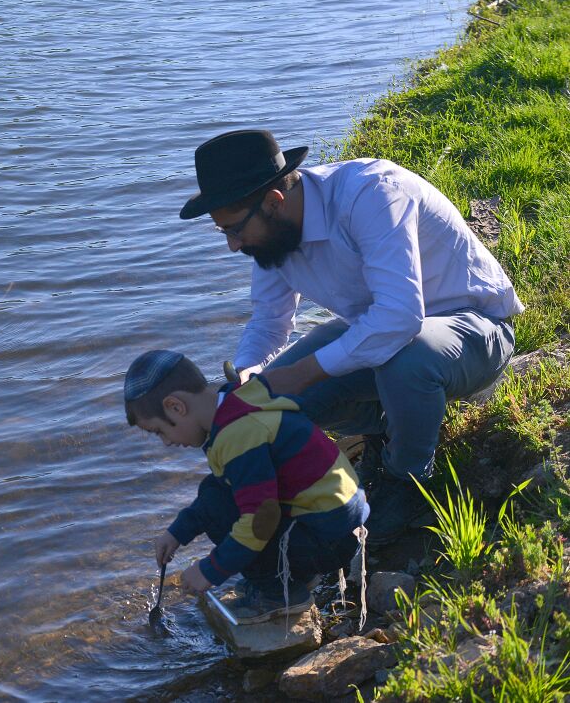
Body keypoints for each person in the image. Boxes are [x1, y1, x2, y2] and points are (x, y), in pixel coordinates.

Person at [178, 129, 523, 544]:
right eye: (223, 233)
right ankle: (391, 429)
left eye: (233, 230)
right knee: (270, 403)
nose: (233, 245)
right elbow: (270, 320)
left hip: (474, 327)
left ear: (273, 201)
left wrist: (305, 371)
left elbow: (399, 318)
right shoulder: (272, 234)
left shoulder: (372, 195)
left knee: (404, 360)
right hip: (381, 336)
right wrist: (251, 367)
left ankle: (408, 482)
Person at [124, 349, 369, 624]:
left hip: (328, 541)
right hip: (334, 526)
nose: (166, 442)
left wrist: (211, 569)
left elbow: (261, 519)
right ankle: (292, 574)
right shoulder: (236, 403)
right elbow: (222, 487)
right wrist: (178, 532)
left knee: (222, 511)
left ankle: (279, 593)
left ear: (175, 407)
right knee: (216, 490)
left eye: (159, 431)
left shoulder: (237, 436)